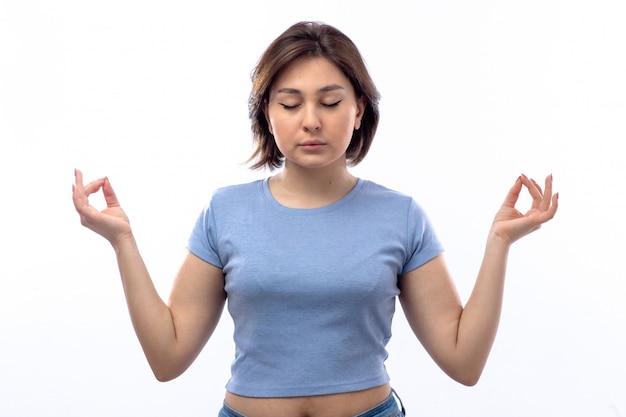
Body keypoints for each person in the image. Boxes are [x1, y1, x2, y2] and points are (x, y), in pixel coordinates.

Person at [72, 21, 558, 417]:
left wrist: (500, 243)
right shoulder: (225, 211)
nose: (311, 120)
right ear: (266, 112)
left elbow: (464, 362)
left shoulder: (401, 216)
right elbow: (168, 357)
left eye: (330, 102)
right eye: (289, 103)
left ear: (360, 109)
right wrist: (122, 242)